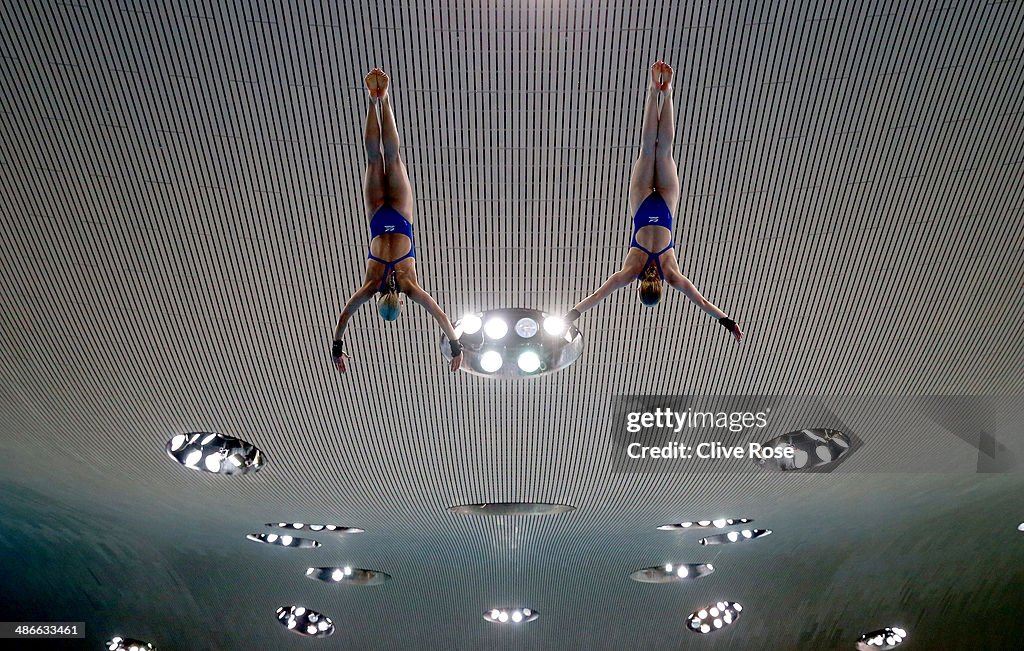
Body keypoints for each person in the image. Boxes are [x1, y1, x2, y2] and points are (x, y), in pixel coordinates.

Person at [564, 61, 743, 342]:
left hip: (665, 206)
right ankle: (653, 89)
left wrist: (728, 321)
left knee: (665, 148)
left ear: (660, 286)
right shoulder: (631, 271)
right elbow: (598, 295)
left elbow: (704, 303)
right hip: (643, 205)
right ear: (641, 287)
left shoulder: (671, 274)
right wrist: (569, 315)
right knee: (648, 148)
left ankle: (667, 91)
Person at [331, 68, 464, 372]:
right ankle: (375, 100)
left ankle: (384, 99)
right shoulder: (370, 285)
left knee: (394, 158)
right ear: (378, 301)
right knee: (374, 159)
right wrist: (337, 347)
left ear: (400, 303)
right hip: (378, 216)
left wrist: (456, 347)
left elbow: (441, 315)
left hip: (401, 217)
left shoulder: (409, 285)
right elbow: (344, 317)